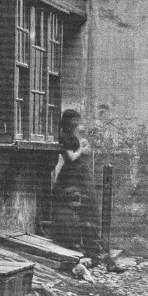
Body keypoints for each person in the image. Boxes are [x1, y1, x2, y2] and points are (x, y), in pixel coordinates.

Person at [52, 109, 105, 263]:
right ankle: (86, 245)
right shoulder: (65, 136)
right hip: (73, 173)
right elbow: (71, 157)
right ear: (68, 120)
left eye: (77, 120)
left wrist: (83, 147)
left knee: (89, 204)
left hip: (80, 172)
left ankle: (93, 247)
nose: (76, 122)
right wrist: (81, 148)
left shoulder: (71, 135)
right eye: (74, 120)